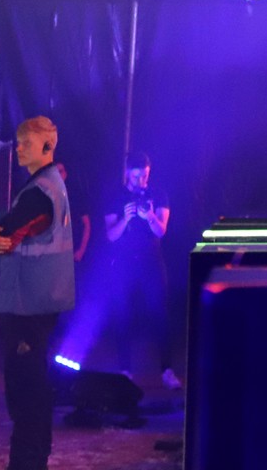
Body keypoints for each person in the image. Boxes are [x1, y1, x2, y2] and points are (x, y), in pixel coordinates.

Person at [0, 116, 75, 470]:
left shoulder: (39, 192)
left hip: (28, 304)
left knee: (25, 394)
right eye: (18, 141)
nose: (18, 148)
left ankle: (26, 464)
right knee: (35, 390)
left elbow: (5, 235)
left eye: (26, 143)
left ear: (47, 146)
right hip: (43, 300)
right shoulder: (51, 185)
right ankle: (35, 460)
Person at [103, 151, 179, 389]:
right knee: (123, 314)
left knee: (159, 314)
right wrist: (125, 219)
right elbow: (111, 236)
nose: (140, 181)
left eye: (144, 176)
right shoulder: (115, 195)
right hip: (124, 262)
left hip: (151, 261)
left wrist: (150, 217)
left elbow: (161, 231)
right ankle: (125, 369)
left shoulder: (158, 194)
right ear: (127, 173)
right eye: (136, 176)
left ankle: (167, 369)